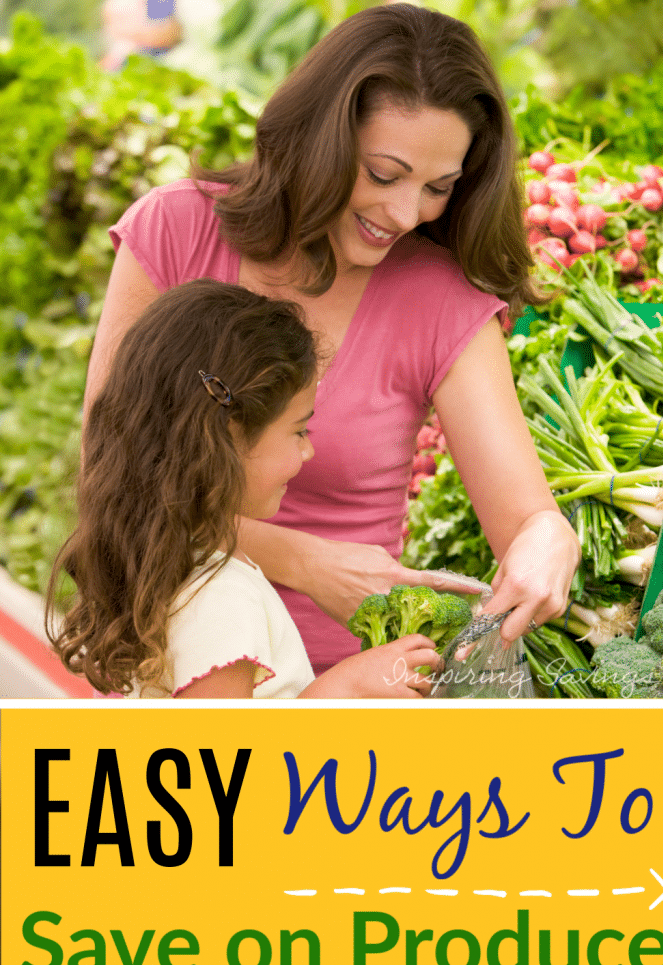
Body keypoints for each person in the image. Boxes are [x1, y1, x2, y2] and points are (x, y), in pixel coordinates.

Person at [83, 4, 582, 677]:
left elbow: (525, 520)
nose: (405, 214)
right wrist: (303, 562)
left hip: (342, 688)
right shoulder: (177, 230)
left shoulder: (439, 299)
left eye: (438, 188)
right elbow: (109, 480)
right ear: (320, 137)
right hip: (172, 673)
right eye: (382, 174)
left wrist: (548, 542)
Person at [47, 280, 440, 698]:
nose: (307, 451)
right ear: (230, 436)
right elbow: (220, 759)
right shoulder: (222, 598)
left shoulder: (166, 557)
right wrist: (344, 686)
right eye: (299, 430)